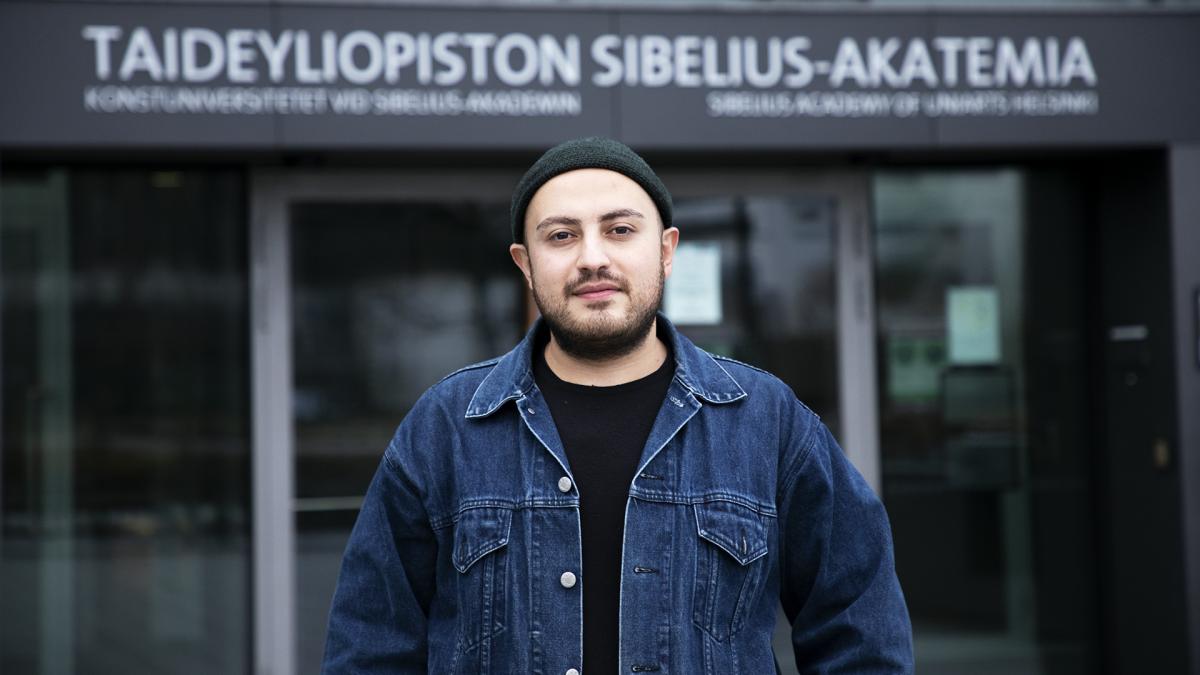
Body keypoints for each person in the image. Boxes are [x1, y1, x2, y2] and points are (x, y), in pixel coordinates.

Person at [322, 136, 913, 674]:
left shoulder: (765, 419)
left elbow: (861, 632)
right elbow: (372, 646)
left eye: (620, 230)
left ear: (666, 250)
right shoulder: (446, 426)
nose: (592, 258)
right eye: (561, 236)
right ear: (525, 265)